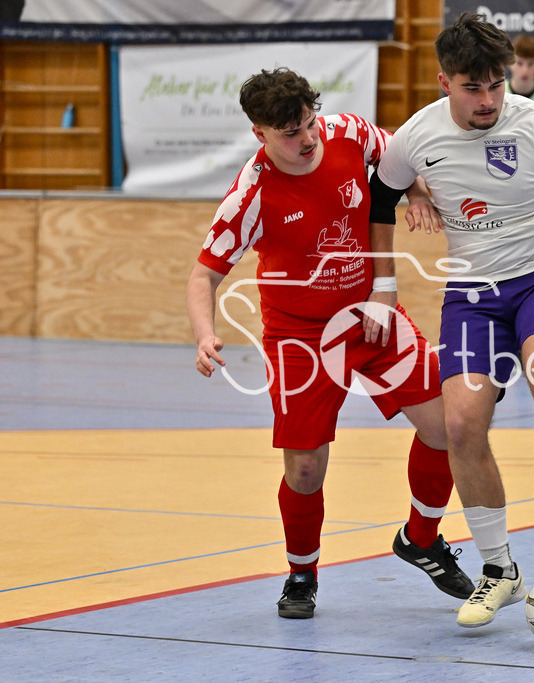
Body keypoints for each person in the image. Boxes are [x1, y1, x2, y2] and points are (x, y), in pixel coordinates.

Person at [366, 13, 534, 628]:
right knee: (459, 422)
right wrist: (385, 278)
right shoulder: (417, 137)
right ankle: (500, 571)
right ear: (443, 82)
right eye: (472, 88)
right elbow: (380, 194)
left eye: (496, 85)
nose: (487, 100)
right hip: (472, 292)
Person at [186, 68, 474, 620]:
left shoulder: (349, 132)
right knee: (305, 470)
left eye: (310, 124)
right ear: (260, 134)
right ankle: (301, 574)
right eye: (290, 133)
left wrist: (415, 193)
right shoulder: (251, 192)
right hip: (300, 338)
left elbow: (399, 159)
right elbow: (203, 277)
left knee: (447, 427)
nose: (308, 139)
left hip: (371, 316)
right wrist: (205, 334)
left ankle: (420, 538)